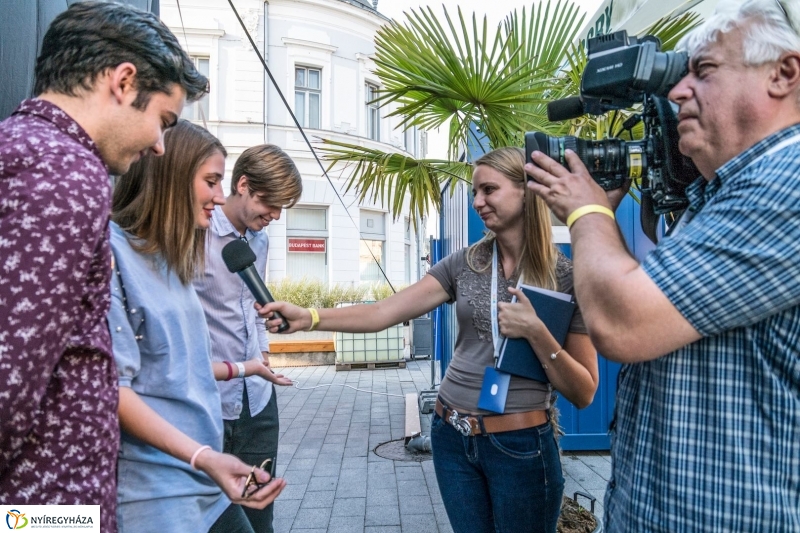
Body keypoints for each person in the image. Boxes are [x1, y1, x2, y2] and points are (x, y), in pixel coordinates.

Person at [525, 1, 800, 531]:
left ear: (783, 74)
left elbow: (623, 322)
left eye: (705, 71)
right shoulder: (722, 195)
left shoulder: (786, 179)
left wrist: (586, 211)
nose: (675, 93)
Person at [259, 147, 599, 533]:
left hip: (520, 446)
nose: (477, 202)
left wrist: (537, 332)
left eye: (489, 190)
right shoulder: (465, 263)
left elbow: (584, 391)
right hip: (452, 437)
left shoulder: (568, 278)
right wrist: (310, 317)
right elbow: (383, 312)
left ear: (526, 192)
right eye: (474, 192)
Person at [0, 2, 206, 529]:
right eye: (162, 120)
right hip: (45, 506)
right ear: (122, 80)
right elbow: (11, 374)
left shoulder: (27, 150)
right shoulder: (65, 169)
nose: (161, 146)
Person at [109, 120, 285, 533]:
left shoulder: (171, 260)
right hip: (156, 492)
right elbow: (112, 388)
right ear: (169, 177)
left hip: (201, 478)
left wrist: (248, 366)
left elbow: (176, 367)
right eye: (211, 181)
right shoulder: (112, 256)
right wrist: (203, 456)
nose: (219, 197)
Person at [194, 144, 302, 532]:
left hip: (257, 399)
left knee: (260, 512)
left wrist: (266, 353)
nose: (274, 216)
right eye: (270, 204)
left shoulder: (260, 240)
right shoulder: (197, 234)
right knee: (218, 516)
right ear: (243, 185)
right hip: (210, 398)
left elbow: (256, 308)